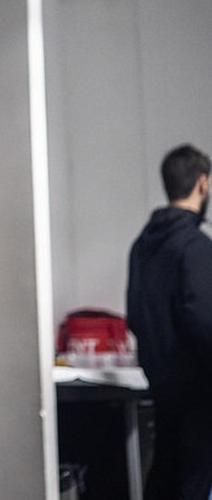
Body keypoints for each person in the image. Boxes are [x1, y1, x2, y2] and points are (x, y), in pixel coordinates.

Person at [126, 144, 212, 500]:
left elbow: (135, 315)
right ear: (202, 184)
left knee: (163, 476)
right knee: (194, 482)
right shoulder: (194, 246)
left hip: (160, 384)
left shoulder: (142, 245)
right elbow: (203, 321)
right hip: (199, 391)